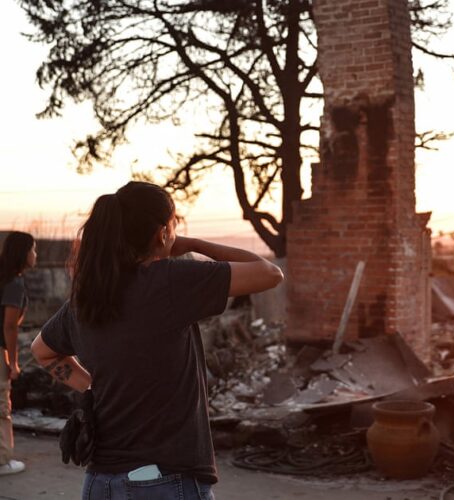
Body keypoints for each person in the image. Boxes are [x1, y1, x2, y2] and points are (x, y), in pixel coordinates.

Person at [29, 181, 283, 499]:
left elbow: (42, 351)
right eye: (173, 224)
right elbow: (270, 273)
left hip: (100, 483)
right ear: (162, 233)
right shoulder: (170, 282)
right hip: (163, 480)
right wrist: (191, 243)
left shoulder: (88, 297)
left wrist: (94, 387)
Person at [0, 231, 37, 476]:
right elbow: (10, 326)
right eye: (33, 249)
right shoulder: (14, 283)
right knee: (2, 406)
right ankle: (2, 460)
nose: (36, 255)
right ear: (23, 253)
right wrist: (13, 362)